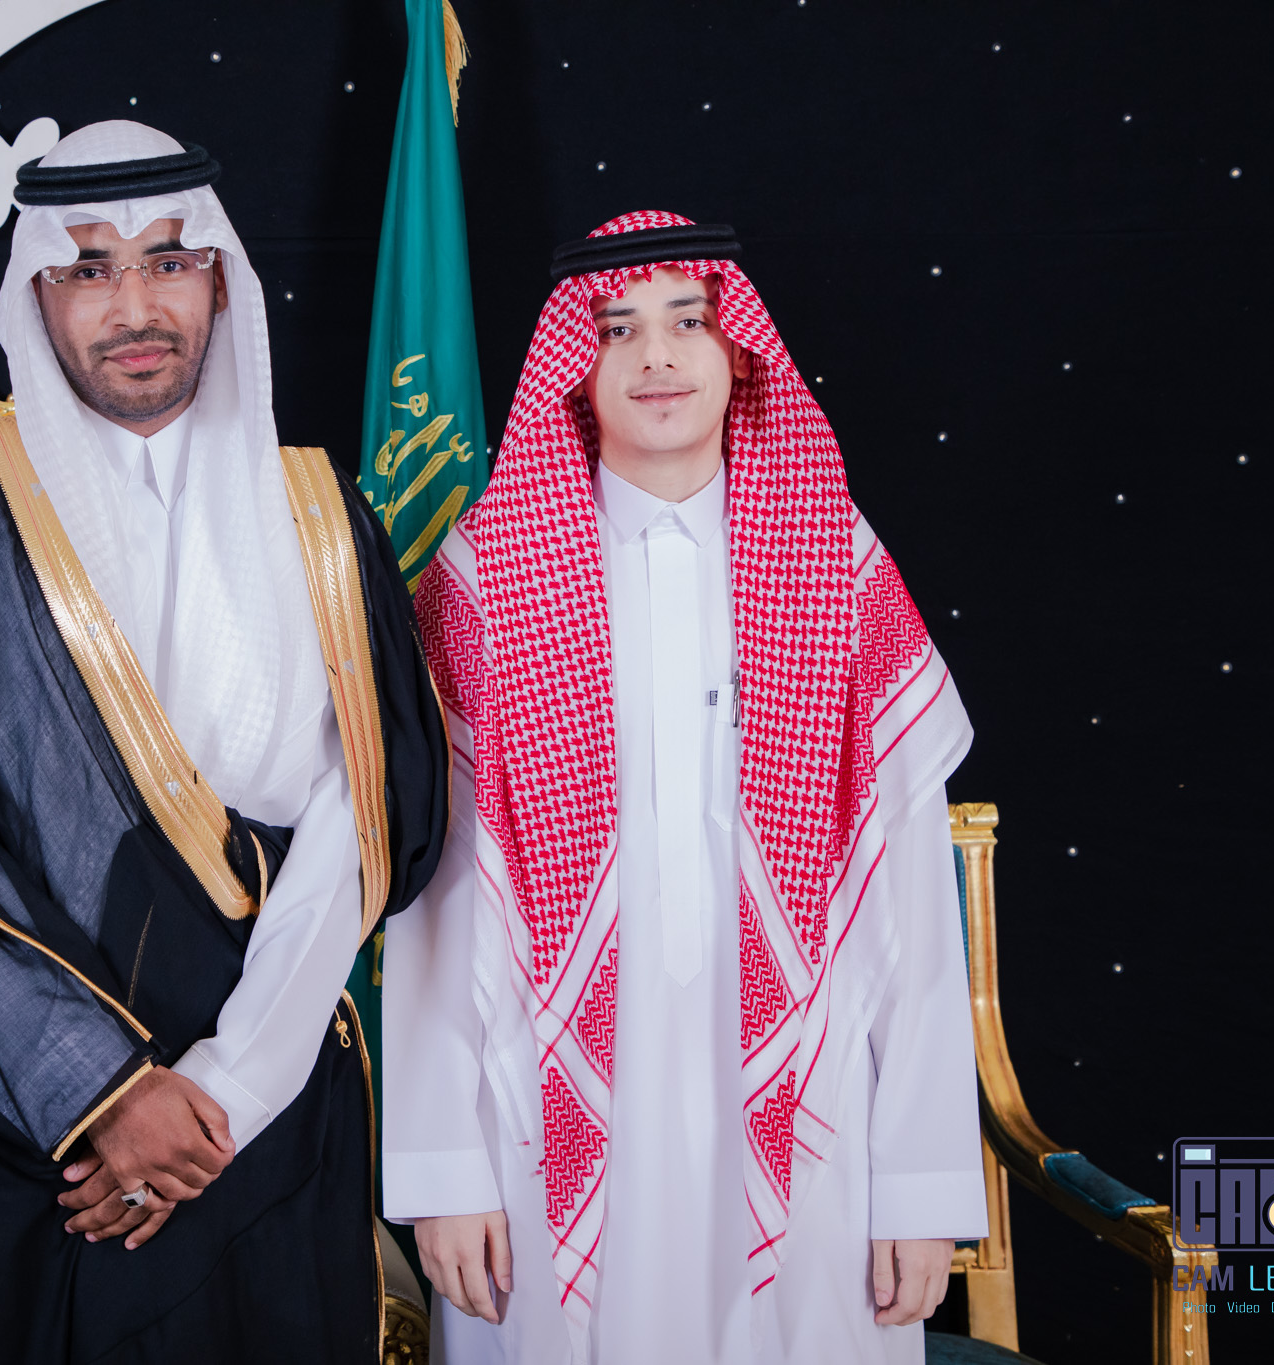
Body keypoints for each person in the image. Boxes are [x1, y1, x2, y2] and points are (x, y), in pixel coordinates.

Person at [0, 121, 447, 1365]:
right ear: (37, 293)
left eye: (168, 260)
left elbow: (366, 819)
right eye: (89, 268)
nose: (134, 307)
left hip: (266, 1122)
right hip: (30, 1141)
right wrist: (100, 1093)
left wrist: (226, 1094)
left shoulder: (319, 516)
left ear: (221, 281)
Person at [383, 211, 985, 1364]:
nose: (654, 356)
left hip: (810, 1116)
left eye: (686, 321)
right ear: (574, 369)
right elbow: (438, 896)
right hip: (536, 1118)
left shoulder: (834, 563)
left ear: (738, 352)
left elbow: (906, 894)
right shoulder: (483, 579)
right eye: (615, 330)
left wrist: (918, 1185)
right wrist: (442, 1168)